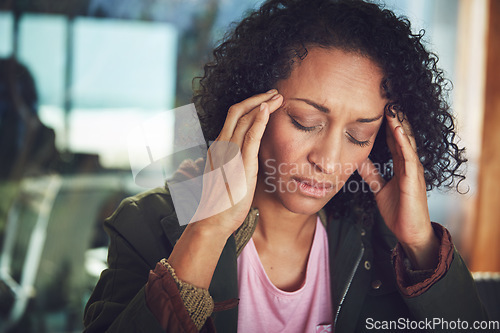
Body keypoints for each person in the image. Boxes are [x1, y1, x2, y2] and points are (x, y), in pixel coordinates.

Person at [83, 0, 489, 332]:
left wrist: (420, 243)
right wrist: (207, 231)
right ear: (252, 108)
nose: (328, 160)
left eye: (358, 136)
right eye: (305, 122)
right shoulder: (146, 224)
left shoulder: (387, 242)